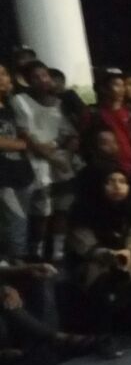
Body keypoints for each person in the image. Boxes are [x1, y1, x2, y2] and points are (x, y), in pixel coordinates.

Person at [67, 164, 131, 358]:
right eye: (110, 181)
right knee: (97, 272)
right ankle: (103, 336)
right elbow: (82, 242)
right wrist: (108, 255)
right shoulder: (81, 209)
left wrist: (129, 251)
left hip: (123, 255)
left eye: (122, 182)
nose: (117, 186)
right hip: (91, 259)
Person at [11, 61, 77, 260]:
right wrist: (47, 154)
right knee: (42, 211)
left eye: (45, 75)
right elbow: (24, 133)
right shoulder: (20, 101)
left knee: (62, 208)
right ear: (27, 81)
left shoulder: (59, 103)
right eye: (36, 77)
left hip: (60, 162)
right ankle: (37, 252)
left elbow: (69, 134)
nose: (42, 80)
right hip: (36, 163)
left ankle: (58, 252)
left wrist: (62, 153)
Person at [0, 64, 35, 259]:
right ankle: (17, 265)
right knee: (15, 223)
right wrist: (20, 144)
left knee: (22, 222)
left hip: (21, 172)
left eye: (4, 74)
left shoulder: (10, 107)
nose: (2, 78)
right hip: (3, 178)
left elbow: (25, 135)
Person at [86, 72, 131, 175]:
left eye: (123, 85)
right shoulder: (94, 112)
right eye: (117, 85)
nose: (122, 89)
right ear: (105, 89)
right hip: (105, 165)